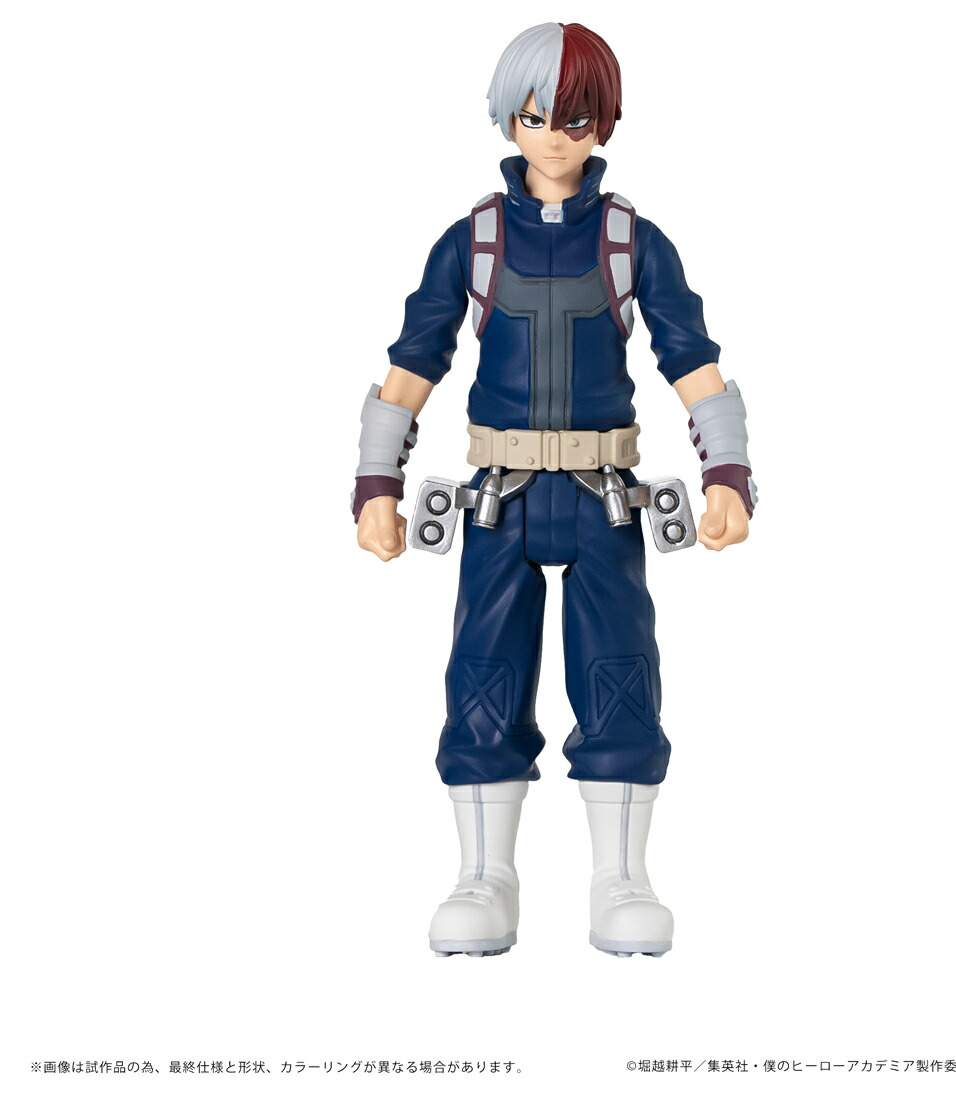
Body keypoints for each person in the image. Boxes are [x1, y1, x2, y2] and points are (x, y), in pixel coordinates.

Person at [353, 22, 756, 957]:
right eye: (535, 117)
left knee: (619, 675)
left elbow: (690, 358)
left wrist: (728, 472)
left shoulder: (632, 242)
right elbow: (413, 361)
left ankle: (621, 878)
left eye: (574, 119)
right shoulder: (472, 243)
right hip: (498, 499)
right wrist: (376, 481)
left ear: (602, 123)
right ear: (510, 118)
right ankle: (483, 875)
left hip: (604, 497)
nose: (553, 137)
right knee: (483, 675)